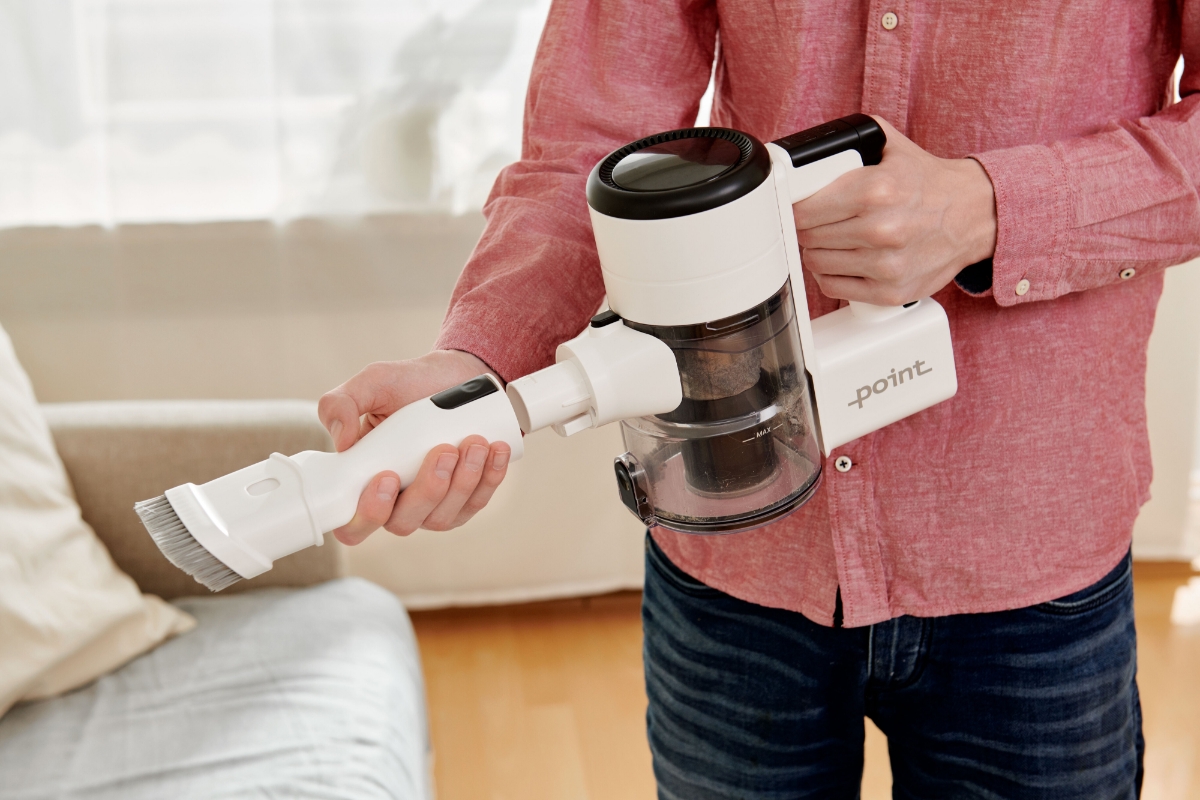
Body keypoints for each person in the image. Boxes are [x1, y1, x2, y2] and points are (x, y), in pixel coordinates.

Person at [318, 2, 1200, 797]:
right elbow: (588, 148)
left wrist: (991, 210)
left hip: (1030, 557)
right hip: (735, 544)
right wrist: (474, 363)